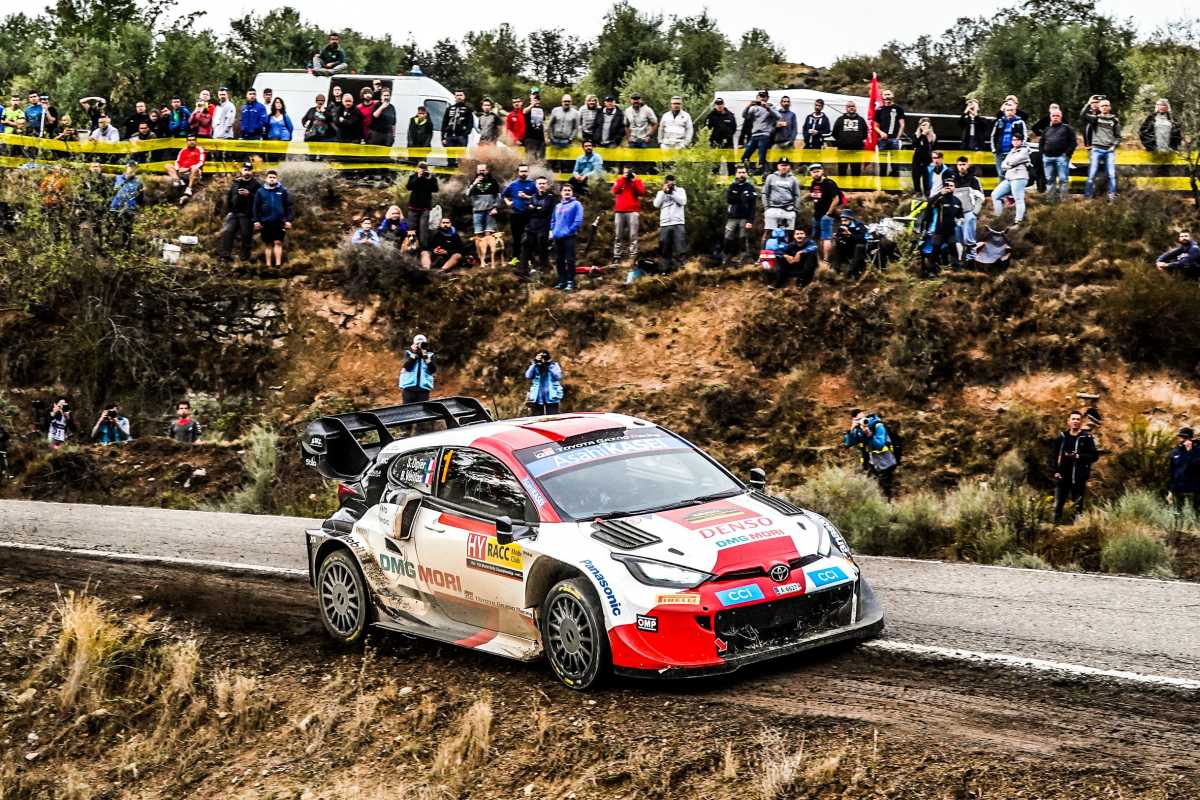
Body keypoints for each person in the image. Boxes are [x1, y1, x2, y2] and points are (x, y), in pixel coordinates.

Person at [1051, 410, 1099, 523]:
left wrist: (1078, 456)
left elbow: (1094, 456)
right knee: (1058, 504)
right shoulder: (1062, 437)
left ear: (1081, 422)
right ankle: (1055, 526)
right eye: (1073, 419)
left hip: (1079, 476)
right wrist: (1056, 471)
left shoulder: (1086, 438)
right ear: (1068, 421)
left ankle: (1078, 527)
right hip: (1063, 476)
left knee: (1078, 505)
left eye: (1078, 419)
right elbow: (1054, 456)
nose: (1075, 421)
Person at [844, 411, 898, 499]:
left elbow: (879, 445)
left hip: (885, 461)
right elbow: (848, 444)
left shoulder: (877, 426)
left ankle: (888, 504)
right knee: (871, 486)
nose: (862, 421)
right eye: (858, 419)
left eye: (863, 418)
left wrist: (869, 435)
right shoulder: (857, 429)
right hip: (871, 463)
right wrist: (851, 430)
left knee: (884, 488)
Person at [919, 179, 964, 276]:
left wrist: (960, 219)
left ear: (955, 187)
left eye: (951, 185)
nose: (949, 187)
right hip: (939, 230)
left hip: (951, 231)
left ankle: (957, 270)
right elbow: (929, 204)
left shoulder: (957, 201)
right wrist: (940, 193)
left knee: (953, 249)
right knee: (935, 251)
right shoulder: (940, 199)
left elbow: (960, 214)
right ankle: (931, 271)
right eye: (947, 185)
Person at [219, 161, 261, 262]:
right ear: (241, 170)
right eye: (245, 170)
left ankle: (244, 259)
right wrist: (228, 211)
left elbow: (260, 201)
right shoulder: (236, 182)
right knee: (227, 233)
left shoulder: (256, 185)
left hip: (247, 215)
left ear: (252, 171)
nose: (247, 172)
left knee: (246, 236)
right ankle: (225, 256)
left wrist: (249, 195)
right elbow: (229, 197)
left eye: (249, 170)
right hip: (233, 213)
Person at [1082, 96, 1121, 200]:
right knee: (1092, 174)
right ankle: (1088, 197)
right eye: (1102, 106)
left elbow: (1118, 137)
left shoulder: (1114, 120)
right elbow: (1083, 114)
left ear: (1109, 107)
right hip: (1096, 149)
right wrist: (1089, 103)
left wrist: (1114, 146)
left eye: (1106, 105)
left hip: (1109, 151)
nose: (1104, 107)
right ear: (1099, 107)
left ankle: (1112, 197)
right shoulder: (1095, 119)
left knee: (1111, 175)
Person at [253, 169, 294, 268]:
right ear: (266, 179)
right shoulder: (260, 191)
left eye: (274, 177)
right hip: (265, 221)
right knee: (268, 243)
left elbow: (289, 206)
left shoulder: (282, 190)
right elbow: (255, 207)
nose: (272, 179)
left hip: (279, 221)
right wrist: (256, 221)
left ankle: (278, 264)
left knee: (278, 242)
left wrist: (288, 220)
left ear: (277, 179)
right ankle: (268, 265)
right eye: (270, 177)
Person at [519, 176, 554, 279]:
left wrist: (535, 208)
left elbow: (546, 211)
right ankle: (523, 271)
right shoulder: (533, 197)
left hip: (544, 225)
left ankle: (545, 270)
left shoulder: (550, 197)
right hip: (532, 226)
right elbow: (528, 210)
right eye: (539, 183)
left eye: (543, 183)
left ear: (546, 185)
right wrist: (537, 209)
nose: (541, 185)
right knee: (525, 246)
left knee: (542, 247)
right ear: (536, 185)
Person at [992, 131, 1031, 224]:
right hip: (1009, 178)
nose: (1015, 141)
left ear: (1021, 141)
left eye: (1017, 140)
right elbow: (1003, 165)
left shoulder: (1025, 150)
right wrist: (1009, 164)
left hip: (1019, 177)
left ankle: (1018, 220)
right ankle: (999, 217)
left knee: (1018, 199)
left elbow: (1014, 161)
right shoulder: (1011, 151)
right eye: (1013, 140)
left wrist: (1009, 164)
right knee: (995, 195)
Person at [806, 163, 843, 262]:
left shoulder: (829, 183)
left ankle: (826, 261)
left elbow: (836, 199)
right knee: (816, 238)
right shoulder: (813, 183)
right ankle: (818, 260)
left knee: (826, 238)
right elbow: (812, 196)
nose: (816, 174)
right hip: (816, 215)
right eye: (813, 172)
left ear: (822, 171)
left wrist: (828, 213)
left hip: (827, 215)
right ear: (810, 173)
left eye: (818, 171)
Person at [551, 184, 584, 290]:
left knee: (570, 260)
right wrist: (553, 231)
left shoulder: (576, 204)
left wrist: (569, 231)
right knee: (559, 260)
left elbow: (578, 220)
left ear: (572, 192)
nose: (567, 192)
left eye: (569, 190)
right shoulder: (557, 206)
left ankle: (570, 282)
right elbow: (553, 220)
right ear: (561, 193)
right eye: (565, 190)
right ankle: (562, 281)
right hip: (557, 236)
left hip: (569, 237)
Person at [1038, 107, 1076, 199]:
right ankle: (1050, 200)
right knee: (1049, 179)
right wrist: (1043, 153)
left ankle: (1064, 200)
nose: (1055, 117)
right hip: (1047, 158)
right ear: (1050, 117)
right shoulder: (1047, 129)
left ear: (1061, 117)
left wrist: (1066, 154)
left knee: (1063, 179)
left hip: (1061, 157)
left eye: (1057, 116)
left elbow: (1073, 142)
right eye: (1053, 116)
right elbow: (1041, 142)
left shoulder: (1067, 128)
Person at [611, 168, 646, 265]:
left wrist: (634, 180)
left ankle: (633, 256)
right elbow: (614, 190)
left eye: (628, 172)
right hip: (619, 211)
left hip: (633, 211)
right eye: (625, 172)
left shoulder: (637, 181)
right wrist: (623, 179)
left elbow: (641, 192)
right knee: (618, 235)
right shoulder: (619, 180)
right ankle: (617, 256)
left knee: (633, 235)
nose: (627, 174)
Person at [951, 157, 983, 262]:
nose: (962, 167)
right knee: (958, 238)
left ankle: (971, 259)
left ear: (968, 165)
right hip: (956, 213)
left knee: (969, 238)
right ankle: (960, 261)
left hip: (969, 211)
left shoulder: (974, 180)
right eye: (960, 164)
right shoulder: (952, 179)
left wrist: (975, 212)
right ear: (957, 166)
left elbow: (980, 197)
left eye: (964, 164)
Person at [723, 165, 757, 263]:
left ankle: (743, 258)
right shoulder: (732, 186)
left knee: (743, 237)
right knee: (728, 236)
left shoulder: (750, 187)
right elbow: (729, 200)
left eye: (743, 172)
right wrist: (741, 195)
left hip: (745, 217)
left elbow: (752, 206)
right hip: (732, 217)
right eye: (739, 172)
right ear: (736, 174)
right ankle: (726, 256)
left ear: (746, 174)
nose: (741, 174)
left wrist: (750, 220)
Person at [653, 174, 688, 271]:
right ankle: (665, 270)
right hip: (665, 224)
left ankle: (682, 270)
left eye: (672, 182)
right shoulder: (660, 192)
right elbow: (656, 204)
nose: (670, 184)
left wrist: (672, 193)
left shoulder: (680, 190)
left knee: (680, 248)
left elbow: (683, 202)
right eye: (668, 182)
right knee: (665, 249)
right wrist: (664, 192)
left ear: (675, 182)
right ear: (665, 183)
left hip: (678, 223)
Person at [740, 91, 779, 174]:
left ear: (767, 98)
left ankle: (765, 174)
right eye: (760, 96)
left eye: (764, 96)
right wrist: (749, 105)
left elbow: (778, 116)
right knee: (744, 157)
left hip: (764, 135)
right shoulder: (754, 108)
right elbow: (744, 116)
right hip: (754, 135)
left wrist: (767, 108)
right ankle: (750, 172)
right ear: (757, 97)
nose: (762, 98)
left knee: (761, 158)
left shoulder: (771, 107)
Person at [762, 157, 800, 239]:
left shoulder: (793, 179)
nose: (784, 167)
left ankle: (785, 247)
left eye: (786, 165)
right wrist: (766, 208)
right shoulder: (771, 177)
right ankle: (765, 247)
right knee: (768, 232)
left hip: (788, 209)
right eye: (782, 165)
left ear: (789, 167)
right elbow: (765, 193)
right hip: (773, 208)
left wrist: (795, 209)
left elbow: (797, 195)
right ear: (778, 166)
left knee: (788, 234)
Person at [109, 160, 143, 244]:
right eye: (130, 167)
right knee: (112, 229)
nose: (132, 169)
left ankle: (126, 247)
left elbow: (140, 198)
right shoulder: (117, 178)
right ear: (126, 167)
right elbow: (109, 193)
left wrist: (138, 209)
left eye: (134, 168)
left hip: (129, 210)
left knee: (127, 232)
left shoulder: (138, 182)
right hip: (115, 208)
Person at [990, 101, 1027, 178]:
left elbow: (1025, 136)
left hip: (1014, 152)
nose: (1009, 112)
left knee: (1012, 174)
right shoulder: (999, 122)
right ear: (1004, 111)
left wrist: (1020, 149)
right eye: (1007, 110)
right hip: (1000, 152)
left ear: (1015, 111)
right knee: (1001, 174)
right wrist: (994, 149)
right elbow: (993, 136)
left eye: (1011, 110)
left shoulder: (1020, 122)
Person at [466, 162, 501, 242]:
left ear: (487, 171)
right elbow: (467, 194)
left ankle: (488, 250)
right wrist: (475, 183)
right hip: (477, 211)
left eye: (483, 170)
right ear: (477, 171)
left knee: (489, 234)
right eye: (480, 170)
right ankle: (480, 250)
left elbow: (498, 196)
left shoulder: (493, 181)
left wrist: (495, 208)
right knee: (478, 234)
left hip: (490, 211)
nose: (481, 172)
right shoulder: (472, 181)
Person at [874, 90, 906, 177]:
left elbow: (902, 125)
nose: (887, 96)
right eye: (885, 94)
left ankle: (895, 184)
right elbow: (875, 126)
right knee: (882, 165)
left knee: (895, 165)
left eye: (889, 94)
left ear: (893, 95)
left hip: (894, 140)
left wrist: (898, 138)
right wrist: (881, 133)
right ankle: (883, 185)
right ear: (882, 96)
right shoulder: (879, 110)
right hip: (882, 140)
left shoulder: (898, 108)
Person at [831, 100, 867, 177]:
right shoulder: (840, 119)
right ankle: (842, 185)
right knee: (842, 170)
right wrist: (842, 141)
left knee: (856, 171)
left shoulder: (861, 120)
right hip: (843, 150)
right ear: (846, 108)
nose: (851, 108)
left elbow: (865, 134)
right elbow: (834, 133)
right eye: (849, 106)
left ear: (855, 108)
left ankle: (855, 185)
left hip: (857, 150)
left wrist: (857, 140)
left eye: (853, 106)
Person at [406, 162, 438, 246]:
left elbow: (435, 189)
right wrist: (418, 177)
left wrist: (429, 179)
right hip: (413, 207)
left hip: (425, 207)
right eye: (421, 168)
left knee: (423, 229)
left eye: (424, 168)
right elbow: (409, 187)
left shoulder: (431, 177)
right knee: (412, 228)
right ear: (417, 168)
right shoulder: (413, 176)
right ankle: (411, 246)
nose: (422, 170)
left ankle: (424, 247)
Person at [1169, 427, 1200, 513]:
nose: (1181, 439)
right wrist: (1170, 490)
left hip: (1194, 489)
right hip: (1178, 488)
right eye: (1180, 437)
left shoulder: (1198, 450)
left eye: (1184, 437)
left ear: (1190, 438)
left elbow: (1196, 465)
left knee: (1196, 513)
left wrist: (1190, 451)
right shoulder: (1176, 451)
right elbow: (1172, 472)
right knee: (1177, 513)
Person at [165, 134, 206, 199]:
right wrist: (178, 169)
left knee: (195, 168)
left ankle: (189, 189)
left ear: (196, 141)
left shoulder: (200, 149)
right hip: (182, 172)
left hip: (194, 172)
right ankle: (179, 182)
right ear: (187, 142)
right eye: (189, 140)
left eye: (193, 140)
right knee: (167, 166)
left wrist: (188, 169)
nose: (191, 142)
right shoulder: (183, 150)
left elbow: (201, 162)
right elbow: (177, 161)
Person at [399, 335, 437, 403]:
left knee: (422, 409)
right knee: (407, 409)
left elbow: (432, 370)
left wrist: (426, 357)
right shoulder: (408, 353)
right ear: (414, 344)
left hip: (423, 389)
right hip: (409, 388)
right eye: (418, 343)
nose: (420, 345)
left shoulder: (430, 355)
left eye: (422, 344)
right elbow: (407, 367)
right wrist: (414, 354)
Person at [525, 350, 564, 415]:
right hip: (537, 397)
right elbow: (528, 376)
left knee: (553, 418)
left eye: (544, 356)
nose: (542, 359)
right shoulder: (535, 366)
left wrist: (549, 365)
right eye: (540, 356)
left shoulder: (553, 365)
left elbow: (558, 376)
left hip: (552, 396)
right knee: (537, 418)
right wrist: (535, 363)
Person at [911, 117, 936, 197]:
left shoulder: (933, 136)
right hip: (917, 159)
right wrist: (922, 135)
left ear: (929, 125)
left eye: (926, 125)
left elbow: (932, 147)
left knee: (927, 178)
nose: (925, 127)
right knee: (916, 177)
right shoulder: (916, 134)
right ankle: (917, 191)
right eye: (923, 125)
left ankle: (927, 193)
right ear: (920, 126)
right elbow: (915, 144)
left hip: (927, 159)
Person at [522, 92, 546, 161]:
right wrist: (532, 105)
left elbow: (542, 122)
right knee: (530, 159)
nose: (536, 100)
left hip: (540, 138)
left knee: (541, 159)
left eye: (537, 99)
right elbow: (524, 112)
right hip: (530, 138)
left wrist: (545, 136)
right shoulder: (528, 108)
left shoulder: (541, 109)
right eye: (534, 99)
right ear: (530, 101)